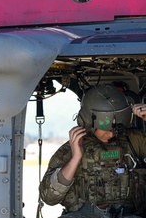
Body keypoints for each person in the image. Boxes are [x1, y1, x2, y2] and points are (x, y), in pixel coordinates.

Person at [39, 84, 146, 218]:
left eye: (114, 129)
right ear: (89, 121)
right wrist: (75, 158)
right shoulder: (73, 147)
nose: (111, 135)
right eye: (106, 129)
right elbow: (48, 197)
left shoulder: (134, 141)